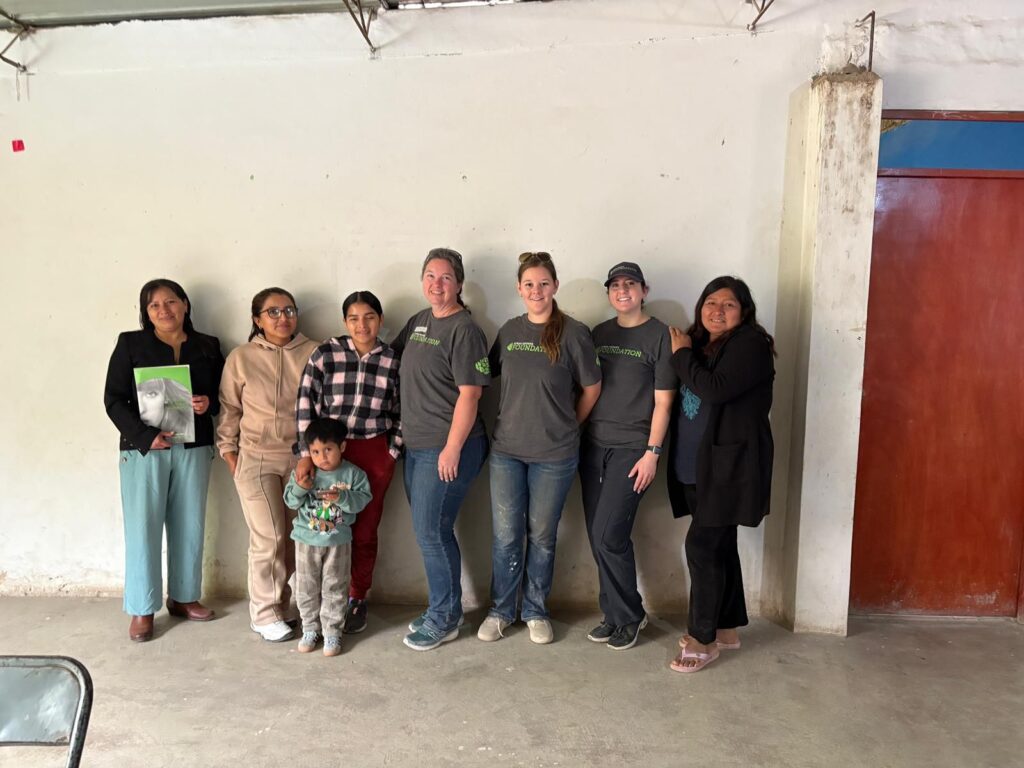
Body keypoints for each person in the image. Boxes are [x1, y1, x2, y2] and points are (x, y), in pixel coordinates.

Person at [479, 252, 602, 645]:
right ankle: (501, 610)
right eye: (529, 284)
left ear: (555, 286)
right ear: (519, 288)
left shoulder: (574, 333)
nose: (536, 291)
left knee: (542, 536)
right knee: (506, 537)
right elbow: (483, 375)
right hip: (507, 452)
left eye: (543, 283)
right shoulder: (509, 331)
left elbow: (592, 388)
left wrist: (569, 425)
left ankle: (535, 610)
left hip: (555, 456)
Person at [104, 278, 224, 642]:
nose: (163, 310)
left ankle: (184, 597)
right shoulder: (130, 343)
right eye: (154, 305)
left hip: (194, 445)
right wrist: (145, 437)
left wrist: (208, 403)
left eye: (170, 301)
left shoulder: (208, 345)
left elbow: (224, 395)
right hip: (144, 449)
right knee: (143, 527)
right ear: (146, 312)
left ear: (185, 304)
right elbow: (113, 399)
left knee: (190, 522)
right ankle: (142, 607)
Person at [666, 276, 775, 673]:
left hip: (729, 469)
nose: (717, 310)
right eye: (710, 302)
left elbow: (714, 389)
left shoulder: (750, 344)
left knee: (702, 547)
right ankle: (726, 629)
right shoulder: (702, 346)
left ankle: (702, 639)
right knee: (720, 546)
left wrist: (681, 355)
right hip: (697, 467)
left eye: (728, 304)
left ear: (744, 312)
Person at [391, 248, 491, 651]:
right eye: (430, 276)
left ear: (459, 284)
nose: (437, 284)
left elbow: (471, 394)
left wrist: (452, 448)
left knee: (431, 532)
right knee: (430, 530)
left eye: (446, 277)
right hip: (416, 446)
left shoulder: (465, 330)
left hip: (450, 447)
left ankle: (445, 618)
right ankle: (444, 607)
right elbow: (388, 358)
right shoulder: (418, 321)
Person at [580, 262, 676, 650]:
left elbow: (664, 402)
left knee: (610, 535)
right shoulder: (599, 333)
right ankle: (614, 614)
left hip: (633, 450)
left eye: (630, 284)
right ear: (609, 293)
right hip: (593, 446)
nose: (623, 290)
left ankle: (631, 615)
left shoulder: (660, 335)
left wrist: (652, 453)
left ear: (644, 290)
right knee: (597, 535)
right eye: (616, 285)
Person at [295, 290, 401, 635]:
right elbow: (306, 402)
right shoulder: (326, 354)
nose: (362, 325)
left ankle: (356, 597)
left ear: (380, 320)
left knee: (365, 529)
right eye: (353, 318)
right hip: (327, 451)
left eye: (369, 317)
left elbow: (403, 409)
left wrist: (391, 451)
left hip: (372, 449)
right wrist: (305, 453)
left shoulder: (392, 359)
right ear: (344, 322)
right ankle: (323, 600)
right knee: (326, 523)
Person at [216, 287, 318, 643]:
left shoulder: (313, 352)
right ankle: (263, 614)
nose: (282, 317)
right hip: (255, 458)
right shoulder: (241, 357)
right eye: (272, 312)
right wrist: (230, 453)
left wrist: (313, 456)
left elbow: (322, 405)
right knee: (268, 537)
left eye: (289, 310)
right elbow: (230, 409)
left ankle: (282, 606)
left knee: (293, 538)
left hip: (300, 458)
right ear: (257, 320)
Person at [283, 418, 372, 657]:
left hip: (338, 542)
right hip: (306, 540)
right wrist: (301, 487)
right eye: (315, 452)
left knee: (335, 586)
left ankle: (332, 632)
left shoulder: (353, 474)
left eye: (328, 450)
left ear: (342, 447)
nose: (322, 457)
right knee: (306, 586)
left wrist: (341, 497)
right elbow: (290, 501)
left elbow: (362, 501)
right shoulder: (305, 472)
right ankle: (310, 629)